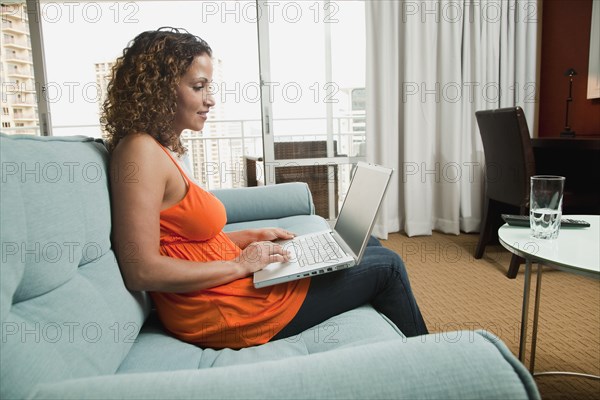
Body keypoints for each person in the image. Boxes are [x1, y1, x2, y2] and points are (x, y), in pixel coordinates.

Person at [103, 27, 427, 350]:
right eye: (198, 87)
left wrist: (252, 237)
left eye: (208, 87)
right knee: (388, 266)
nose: (210, 100)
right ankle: (437, 365)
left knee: (365, 242)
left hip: (230, 288)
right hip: (223, 309)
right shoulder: (140, 151)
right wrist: (240, 265)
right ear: (159, 90)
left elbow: (181, 242)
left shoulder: (157, 149)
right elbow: (141, 270)